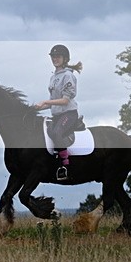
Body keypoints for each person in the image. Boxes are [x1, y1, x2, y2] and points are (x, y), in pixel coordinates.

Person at [34, 44, 83, 180]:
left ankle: (64, 166)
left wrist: (45, 102)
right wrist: (36, 108)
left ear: (65, 58)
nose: (55, 59)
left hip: (69, 114)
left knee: (57, 133)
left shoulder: (68, 76)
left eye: (58, 56)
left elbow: (65, 101)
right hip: (56, 114)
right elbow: (52, 101)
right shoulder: (54, 77)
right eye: (53, 56)